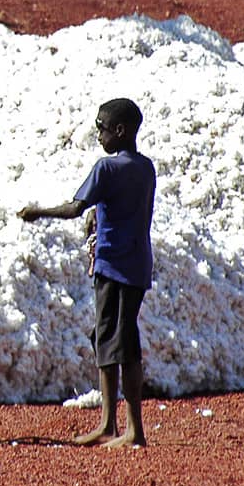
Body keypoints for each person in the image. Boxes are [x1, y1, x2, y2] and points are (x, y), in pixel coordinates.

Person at [19, 97, 155, 448]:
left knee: (119, 343)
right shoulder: (145, 167)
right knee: (109, 337)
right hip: (136, 264)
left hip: (114, 265)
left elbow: (75, 208)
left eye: (102, 128)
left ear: (120, 131)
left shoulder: (105, 168)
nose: (98, 135)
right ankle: (111, 424)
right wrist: (101, 213)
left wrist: (37, 211)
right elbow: (127, 207)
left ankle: (131, 430)